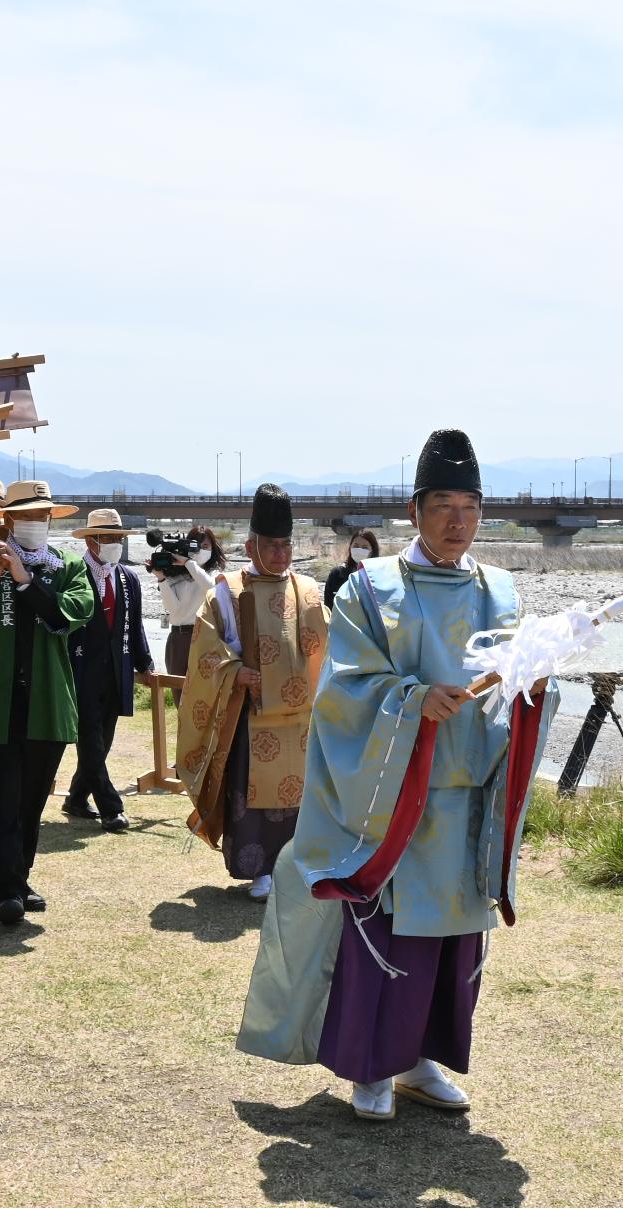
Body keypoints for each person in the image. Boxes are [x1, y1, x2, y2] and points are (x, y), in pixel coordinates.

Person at [236, 429, 557, 1122]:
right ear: (415, 510)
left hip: (468, 795)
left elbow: (515, 690)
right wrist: (412, 701)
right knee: (386, 935)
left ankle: (421, 1059)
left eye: (470, 505)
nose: (457, 520)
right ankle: (371, 1068)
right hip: (393, 797)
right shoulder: (370, 590)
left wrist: (537, 680)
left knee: (452, 946)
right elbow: (344, 693)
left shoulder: (500, 592)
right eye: (443, 503)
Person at [175, 485, 328, 901]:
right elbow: (205, 653)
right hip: (250, 717)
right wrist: (235, 671)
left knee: (299, 798)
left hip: (299, 721)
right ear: (250, 545)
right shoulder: (226, 593)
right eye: (270, 545)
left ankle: (294, 867)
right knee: (252, 797)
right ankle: (259, 870)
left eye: (285, 545)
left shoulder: (309, 592)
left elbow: (329, 651)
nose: (280, 554)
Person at [0, 479, 93, 925]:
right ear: (9, 518)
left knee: (33, 800)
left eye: (43, 514)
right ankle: (4, 892)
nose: (36, 521)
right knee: (3, 798)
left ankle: (20, 876)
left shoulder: (69, 566)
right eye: (28, 514)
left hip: (46, 702)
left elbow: (65, 616)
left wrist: (24, 579)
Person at [61, 508, 154, 833]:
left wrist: (144, 661)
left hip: (117, 671)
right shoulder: (73, 573)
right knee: (90, 742)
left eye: (117, 537)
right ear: (91, 541)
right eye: (107, 538)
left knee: (104, 738)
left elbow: (134, 624)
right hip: (81, 670)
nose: (114, 543)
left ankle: (75, 798)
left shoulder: (127, 578)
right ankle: (111, 808)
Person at [155, 525, 224, 704]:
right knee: (180, 695)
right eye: (197, 545)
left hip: (204, 637)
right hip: (178, 638)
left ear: (213, 548)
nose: (201, 550)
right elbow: (173, 609)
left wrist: (189, 563)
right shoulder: (176, 575)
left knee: (205, 695)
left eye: (206, 546)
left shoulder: (214, 574)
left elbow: (210, 589)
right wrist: (162, 579)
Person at [324, 527, 379, 605]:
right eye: (356, 546)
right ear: (350, 548)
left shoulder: (378, 575)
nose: (359, 550)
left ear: (372, 551)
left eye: (364, 547)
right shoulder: (337, 574)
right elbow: (328, 604)